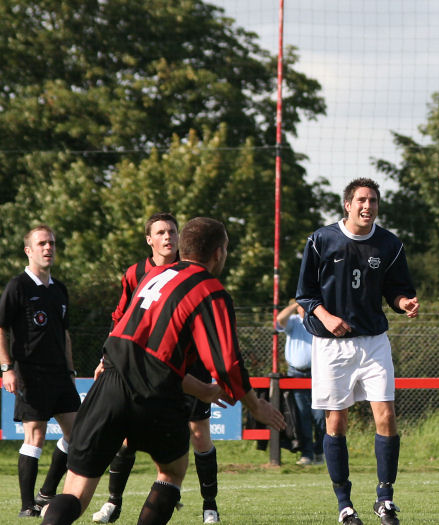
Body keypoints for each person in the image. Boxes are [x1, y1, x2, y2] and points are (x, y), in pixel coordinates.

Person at [40, 217, 286, 525]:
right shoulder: (210, 290)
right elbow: (225, 363)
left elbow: (147, 356)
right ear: (219, 253)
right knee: (172, 471)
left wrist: (205, 391)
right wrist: (255, 404)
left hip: (110, 381)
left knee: (75, 492)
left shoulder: (152, 276)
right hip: (155, 395)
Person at [296, 178, 419, 525]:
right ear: (347, 205)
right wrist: (326, 316)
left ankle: (385, 499)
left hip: (374, 341)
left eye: (374, 201)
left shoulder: (389, 244)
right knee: (336, 421)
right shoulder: (321, 240)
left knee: (387, 416)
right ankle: (345, 505)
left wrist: (404, 302)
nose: (368, 206)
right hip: (331, 346)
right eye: (362, 200)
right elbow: (305, 294)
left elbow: (397, 291)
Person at [90, 212, 226, 524]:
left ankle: (210, 506)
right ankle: (113, 502)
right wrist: (105, 359)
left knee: (199, 434)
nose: (168, 238)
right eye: (161, 232)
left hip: (189, 367)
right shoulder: (136, 272)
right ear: (149, 239)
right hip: (144, 368)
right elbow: (121, 319)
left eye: (173, 232)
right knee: (127, 436)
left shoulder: (193, 270)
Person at [0, 225, 81, 518]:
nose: (49, 248)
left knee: (78, 433)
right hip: (30, 373)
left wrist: (71, 371)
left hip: (60, 375)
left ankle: (46, 493)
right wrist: (7, 368)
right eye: (42, 243)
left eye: (52, 244)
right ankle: (26, 507)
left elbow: (66, 334)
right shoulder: (17, 286)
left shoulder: (59, 289)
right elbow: (1, 326)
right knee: (35, 435)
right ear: (29, 250)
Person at [276, 299, 326, 466]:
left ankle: (320, 451)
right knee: (302, 416)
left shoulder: (318, 322)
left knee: (320, 416)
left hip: (318, 374)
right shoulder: (293, 322)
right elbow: (279, 320)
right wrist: (294, 304)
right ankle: (307, 454)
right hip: (296, 375)